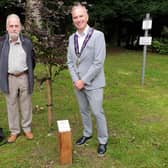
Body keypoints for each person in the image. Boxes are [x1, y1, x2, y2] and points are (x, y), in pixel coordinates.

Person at [67, 3, 108, 156]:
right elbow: (70, 61)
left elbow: (98, 63)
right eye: (75, 17)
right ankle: (87, 133)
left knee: (97, 112)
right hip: (77, 83)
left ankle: (103, 140)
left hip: (93, 83)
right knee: (84, 111)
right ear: (73, 20)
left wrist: (83, 80)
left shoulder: (98, 36)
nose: (78, 19)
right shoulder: (72, 38)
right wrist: (76, 79)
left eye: (81, 16)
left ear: (87, 17)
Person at [0, 14, 35, 143]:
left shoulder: (27, 42)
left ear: (20, 27)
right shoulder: (2, 42)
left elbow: (32, 60)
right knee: (11, 104)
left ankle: (27, 128)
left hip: (24, 76)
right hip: (9, 78)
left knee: (26, 103)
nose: (14, 28)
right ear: (7, 27)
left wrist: (28, 73)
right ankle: (14, 131)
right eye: (11, 26)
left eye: (16, 26)